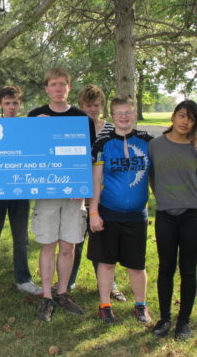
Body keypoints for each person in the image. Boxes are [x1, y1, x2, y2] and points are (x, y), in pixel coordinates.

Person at [27, 67, 95, 321]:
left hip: (73, 194)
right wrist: (37, 128)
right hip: (47, 193)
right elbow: (28, 151)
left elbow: (89, 156)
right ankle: (46, 296)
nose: (58, 88)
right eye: (54, 84)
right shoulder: (35, 116)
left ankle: (63, 292)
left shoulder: (82, 118)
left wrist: (82, 185)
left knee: (69, 245)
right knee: (48, 244)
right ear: (47, 88)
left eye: (63, 84)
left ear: (69, 87)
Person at [88, 96, 153, 324]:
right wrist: (93, 212)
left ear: (134, 114)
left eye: (128, 112)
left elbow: (174, 145)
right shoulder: (103, 144)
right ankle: (105, 305)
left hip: (136, 215)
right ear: (112, 115)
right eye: (119, 113)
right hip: (109, 213)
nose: (124, 117)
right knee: (106, 263)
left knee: (137, 265)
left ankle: (141, 305)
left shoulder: (148, 142)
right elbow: (96, 180)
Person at [149, 100, 197, 340]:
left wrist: (186, 200)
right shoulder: (155, 145)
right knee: (165, 268)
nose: (186, 122)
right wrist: (165, 198)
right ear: (173, 117)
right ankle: (164, 319)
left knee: (188, 269)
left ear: (195, 124)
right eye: (182, 115)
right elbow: (152, 177)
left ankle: (183, 322)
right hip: (165, 215)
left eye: (192, 119)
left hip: (192, 216)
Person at [68, 84, 126, 302]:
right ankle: (68, 282)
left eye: (96, 105)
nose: (92, 109)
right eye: (88, 106)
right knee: (74, 240)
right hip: (78, 193)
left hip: (104, 194)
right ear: (81, 106)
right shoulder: (74, 129)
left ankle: (110, 285)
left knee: (104, 241)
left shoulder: (111, 130)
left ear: (102, 106)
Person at [0, 86, 43, 296]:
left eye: (15, 103)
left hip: (20, 189)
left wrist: (44, 124)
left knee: (21, 237)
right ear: (1, 104)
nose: (11, 107)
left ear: (20, 104)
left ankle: (23, 279)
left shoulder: (27, 126)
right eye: (7, 103)